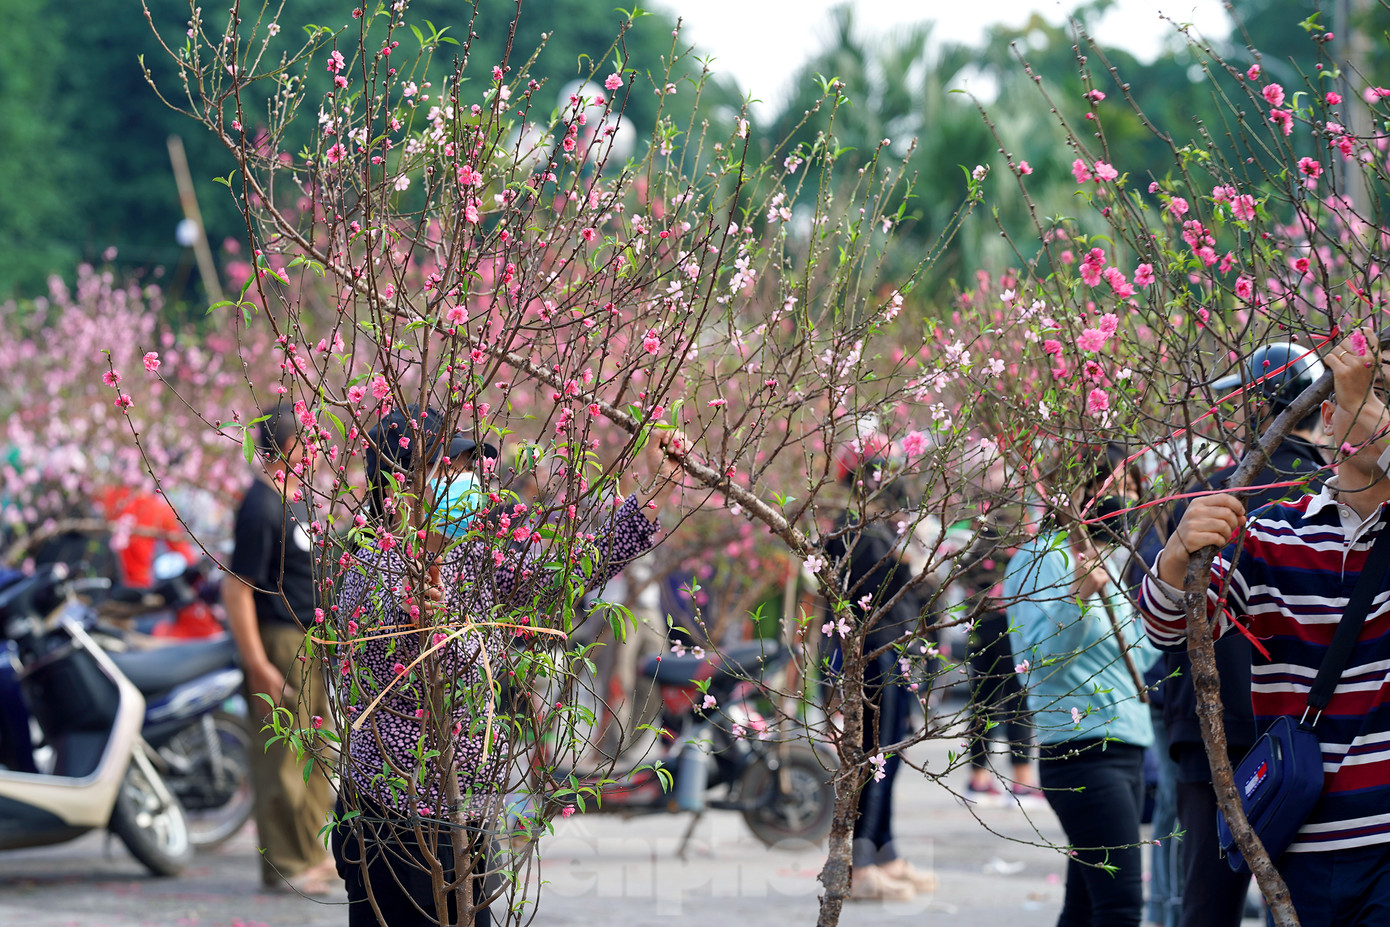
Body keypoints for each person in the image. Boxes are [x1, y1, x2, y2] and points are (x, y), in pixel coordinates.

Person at [331, 408, 686, 927]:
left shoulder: (470, 554)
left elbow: (563, 574)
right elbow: (443, 669)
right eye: (451, 467)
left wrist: (651, 489)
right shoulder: (376, 567)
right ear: (400, 485)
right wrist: (428, 620)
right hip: (398, 816)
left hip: (458, 811)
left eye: (472, 467)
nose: (469, 482)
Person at [1138, 328, 1390, 927]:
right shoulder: (1273, 532)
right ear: (1325, 417)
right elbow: (1168, 627)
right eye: (1371, 393)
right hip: (1298, 847)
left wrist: (1370, 419)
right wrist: (1176, 554)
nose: (1375, 407)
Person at [1005, 443, 1156, 927]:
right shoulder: (1039, 559)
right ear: (1081, 489)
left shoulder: (1106, 558)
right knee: (1120, 908)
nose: (1131, 499)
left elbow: (1140, 656)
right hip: (1081, 751)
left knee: (1086, 908)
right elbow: (1034, 662)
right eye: (1121, 486)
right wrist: (1076, 597)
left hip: (1128, 747)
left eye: (1136, 487)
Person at [224, 402, 337, 894]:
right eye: (306, 440)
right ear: (283, 446)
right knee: (281, 760)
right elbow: (238, 587)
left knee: (317, 755)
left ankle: (312, 852)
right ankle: (285, 865)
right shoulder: (260, 504)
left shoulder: (297, 500)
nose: (315, 449)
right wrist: (256, 662)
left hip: (308, 641)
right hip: (276, 641)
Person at [824, 444, 937, 903]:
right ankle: (857, 863)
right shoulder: (857, 532)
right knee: (871, 762)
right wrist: (906, 561)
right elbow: (874, 592)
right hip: (872, 661)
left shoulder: (881, 529)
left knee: (886, 761)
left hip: (893, 658)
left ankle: (883, 851)